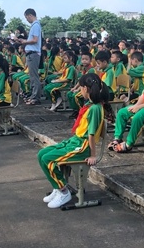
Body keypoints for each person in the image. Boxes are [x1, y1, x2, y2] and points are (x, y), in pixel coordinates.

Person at [37, 73, 107, 209]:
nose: (80, 90)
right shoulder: (90, 105)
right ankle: (57, 187)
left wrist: (93, 155)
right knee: (41, 154)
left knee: (47, 159)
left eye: (80, 88)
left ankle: (63, 191)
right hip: (75, 141)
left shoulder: (95, 108)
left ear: (85, 88)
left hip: (82, 147)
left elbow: (91, 134)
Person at [18, 9, 42, 105]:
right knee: (32, 76)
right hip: (31, 54)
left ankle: (35, 98)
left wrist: (25, 41)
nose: (26, 20)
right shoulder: (34, 25)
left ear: (30, 15)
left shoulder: (35, 25)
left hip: (33, 53)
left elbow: (35, 40)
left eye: (26, 17)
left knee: (34, 76)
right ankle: (33, 96)